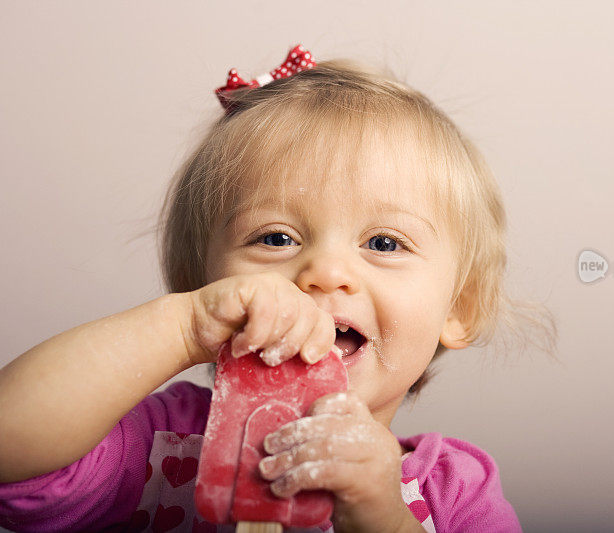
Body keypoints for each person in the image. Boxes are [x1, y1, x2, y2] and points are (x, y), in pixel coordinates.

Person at [0, 44, 556, 532]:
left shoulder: (453, 490)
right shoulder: (159, 446)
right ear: (205, 286)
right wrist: (184, 325)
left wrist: (383, 517)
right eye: (275, 238)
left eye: (384, 243)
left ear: (459, 308)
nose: (323, 271)